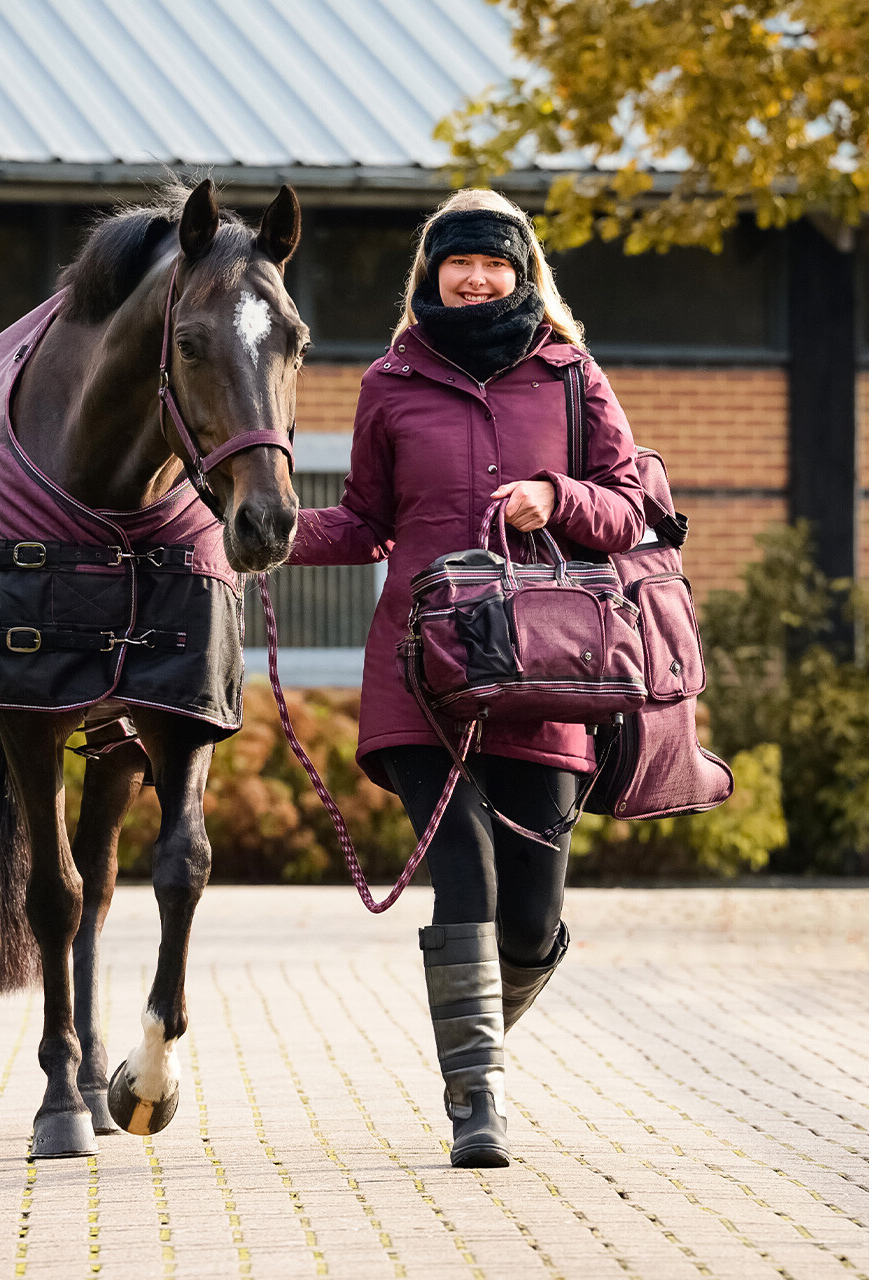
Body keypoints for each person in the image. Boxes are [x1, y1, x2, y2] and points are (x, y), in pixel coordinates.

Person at [287, 189, 646, 1167]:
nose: (477, 278)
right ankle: (476, 1099)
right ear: (432, 273)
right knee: (467, 871)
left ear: (522, 271)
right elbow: (364, 521)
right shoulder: (391, 381)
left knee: (530, 918)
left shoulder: (570, 374)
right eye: (460, 262)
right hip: (422, 676)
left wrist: (555, 497)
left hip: (546, 675)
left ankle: (476, 1029)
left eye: (494, 262)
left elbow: (629, 507)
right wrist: (262, 532)